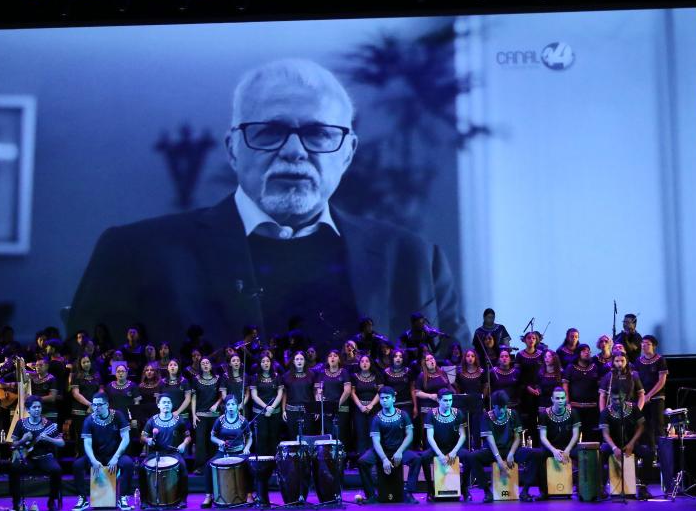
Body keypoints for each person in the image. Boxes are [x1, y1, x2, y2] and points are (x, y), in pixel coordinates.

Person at [67, 58, 463, 349]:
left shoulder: (414, 259)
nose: (293, 151)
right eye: (270, 131)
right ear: (233, 148)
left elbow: (460, 385)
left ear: (347, 153)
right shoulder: (134, 253)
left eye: (319, 134)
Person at [357, 386, 423, 504]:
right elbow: (376, 441)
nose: (384, 401)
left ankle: (408, 493)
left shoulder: (403, 415)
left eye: (387, 398)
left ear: (393, 399)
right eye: (382, 398)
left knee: (416, 459)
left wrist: (399, 451)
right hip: (382, 450)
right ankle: (371, 495)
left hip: (399, 450)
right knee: (363, 461)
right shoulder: (377, 418)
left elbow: (409, 435)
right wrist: (384, 459)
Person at [469, 389, 538, 502]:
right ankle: (487, 492)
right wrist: (500, 461)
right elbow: (490, 441)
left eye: (504, 407)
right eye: (499, 407)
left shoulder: (513, 414)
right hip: (493, 451)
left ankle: (525, 491)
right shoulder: (487, 416)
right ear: (494, 406)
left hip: (511, 449)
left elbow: (517, 437)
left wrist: (511, 453)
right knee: (472, 457)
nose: (502, 410)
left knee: (535, 454)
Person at [72, 392, 134, 511]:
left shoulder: (118, 416)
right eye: (94, 405)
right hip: (96, 456)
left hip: (114, 454)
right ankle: (83, 498)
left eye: (99, 405)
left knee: (128, 464)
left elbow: (126, 438)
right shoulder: (89, 420)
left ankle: (123, 497)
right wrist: (93, 460)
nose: (96, 408)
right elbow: (87, 443)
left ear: (107, 405)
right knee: (77, 465)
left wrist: (116, 457)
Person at [8, 395, 64, 511]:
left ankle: (52, 500)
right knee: (14, 468)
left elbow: (61, 443)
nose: (37, 409)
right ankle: (16, 501)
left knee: (57, 470)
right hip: (27, 458)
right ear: (28, 410)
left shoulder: (48, 424)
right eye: (34, 407)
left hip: (44, 457)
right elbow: (13, 445)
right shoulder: (21, 423)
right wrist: (23, 440)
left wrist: (49, 439)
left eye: (39, 407)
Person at [201, 394, 254, 509]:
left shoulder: (243, 420)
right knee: (208, 466)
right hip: (223, 452)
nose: (230, 406)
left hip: (239, 452)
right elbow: (212, 437)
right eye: (228, 404)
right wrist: (219, 442)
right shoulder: (219, 420)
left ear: (237, 406)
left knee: (249, 466)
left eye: (233, 404)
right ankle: (209, 496)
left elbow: (250, 437)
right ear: (225, 406)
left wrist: (247, 448)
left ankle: (249, 495)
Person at [599, 389, 652, 499]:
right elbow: (605, 433)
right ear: (610, 399)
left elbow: (641, 427)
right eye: (614, 399)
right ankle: (601, 487)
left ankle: (643, 488)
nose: (617, 401)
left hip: (630, 443)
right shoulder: (605, 412)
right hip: (612, 444)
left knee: (648, 453)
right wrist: (614, 447)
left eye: (620, 399)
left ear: (625, 397)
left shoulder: (633, 408)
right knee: (599, 454)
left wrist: (631, 443)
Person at [421, 388, 472, 500]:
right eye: (445, 400)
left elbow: (463, 435)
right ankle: (430, 490)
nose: (448, 403)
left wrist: (453, 452)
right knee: (424, 458)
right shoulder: (431, 414)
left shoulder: (458, 413)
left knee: (469, 457)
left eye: (450, 400)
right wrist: (440, 454)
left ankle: (464, 489)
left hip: (453, 448)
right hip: (437, 448)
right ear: (439, 400)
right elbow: (430, 437)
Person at [141, 395, 191, 506]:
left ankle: (183, 499)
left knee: (183, 467)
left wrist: (183, 444)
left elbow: (188, 437)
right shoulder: (152, 420)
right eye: (164, 402)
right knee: (141, 468)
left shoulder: (179, 420)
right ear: (158, 405)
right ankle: (144, 500)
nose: (166, 404)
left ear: (172, 405)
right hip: (156, 453)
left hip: (173, 453)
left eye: (169, 402)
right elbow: (142, 437)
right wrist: (148, 440)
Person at [534, 387, 580, 500]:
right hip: (551, 448)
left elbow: (575, 435)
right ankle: (544, 491)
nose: (560, 400)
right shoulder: (544, 414)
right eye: (557, 398)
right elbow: (543, 437)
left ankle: (581, 488)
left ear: (566, 399)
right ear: (552, 399)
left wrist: (567, 450)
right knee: (538, 455)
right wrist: (554, 451)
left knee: (585, 454)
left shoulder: (573, 413)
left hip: (568, 447)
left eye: (562, 398)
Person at [631, 334, 668, 463]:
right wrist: (642, 396)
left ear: (654, 345)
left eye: (647, 343)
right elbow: (636, 380)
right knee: (646, 427)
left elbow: (661, 381)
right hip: (643, 398)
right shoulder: (638, 361)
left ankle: (664, 455)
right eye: (642, 343)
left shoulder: (660, 360)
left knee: (658, 425)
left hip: (656, 397)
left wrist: (649, 395)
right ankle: (651, 455)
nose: (644, 346)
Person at [190, 357, 224, 472]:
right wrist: (194, 415)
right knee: (200, 442)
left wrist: (216, 404)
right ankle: (200, 467)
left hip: (215, 415)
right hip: (200, 415)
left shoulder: (218, 379)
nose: (205, 365)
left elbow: (221, 395)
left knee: (213, 441)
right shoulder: (196, 379)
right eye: (203, 363)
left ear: (211, 365)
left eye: (207, 363)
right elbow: (193, 398)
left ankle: (214, 465)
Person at [562, 346, 601, 441]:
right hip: (575, 407)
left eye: (588, 351)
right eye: (584, 351)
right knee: (573, 434)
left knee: (590, 436)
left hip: (592, 408)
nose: (587, 352)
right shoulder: (570, 368)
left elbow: (600, 386)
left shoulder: (594, 367)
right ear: (578, 353)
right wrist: (567, 403)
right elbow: (565, 386)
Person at [249, 352, 285, 456]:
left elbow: (280, 393)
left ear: (271, 363)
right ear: (259, 363)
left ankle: (275, 464)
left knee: (275, 437)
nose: (266, 363)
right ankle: (262, 465)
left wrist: (272, 407)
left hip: (275, 412)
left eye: (268, 361)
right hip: (260, 412)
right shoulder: (255, 377)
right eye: (263, 361)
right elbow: (254, 396)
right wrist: (266, 407)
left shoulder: (277, 376)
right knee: (262, 437)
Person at [314, 349, 352, 444]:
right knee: (328, 434)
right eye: (330, 356)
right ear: (327, 359)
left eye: (335, 355)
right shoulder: (322, 373)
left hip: (341, 408)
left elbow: (347, 391)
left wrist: (336, 406)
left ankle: (341, 457)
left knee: (341, 435)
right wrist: (319, 398)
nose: (332, 357)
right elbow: (317, 391)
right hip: (327, 410)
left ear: (339, 359)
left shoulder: (344, 372)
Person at [68, 353, 101, 457]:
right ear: (80, 364)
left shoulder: (96, 375)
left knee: (95, 436)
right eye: (84, 362)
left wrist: (95, 405)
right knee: (82, 436)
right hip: (80, 411)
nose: (86, 364)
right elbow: (75, 393)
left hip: (94, 410)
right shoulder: (75, 376)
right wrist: (89, 404)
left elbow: (101, 390)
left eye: (88, 362)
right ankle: (82, 459)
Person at [350, 354, 382, 457]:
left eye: (367, 361)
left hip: (374, 408)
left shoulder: (377, 376)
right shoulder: (354, 376)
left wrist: (371, 405)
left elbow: (380, 392)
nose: (364, 363)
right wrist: (361, 406)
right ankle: (361, 459)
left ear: (370, 363)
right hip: (359, 409)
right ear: (359, 364)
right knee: (360, 433)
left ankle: (373, 458)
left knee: (373, 433)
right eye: (362, 361)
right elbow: (352, 393)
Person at [281, 350, 317, 438]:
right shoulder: (286, 376)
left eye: (301, 359)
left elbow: (315, 392)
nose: (299, 361)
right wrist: (283, 410)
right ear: (293, 361)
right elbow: (284, 394)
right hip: (291, 411)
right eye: (297, 359)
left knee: (308, 437)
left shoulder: (312, 375)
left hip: (308, 411)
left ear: (305, 361)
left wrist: (317, 409)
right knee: (293, 437)